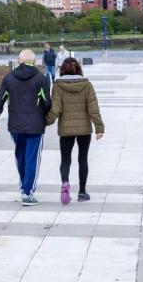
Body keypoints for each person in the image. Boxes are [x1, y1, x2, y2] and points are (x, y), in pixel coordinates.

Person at [0, 49, 51, 206]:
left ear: (18, 60)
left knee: (20, 157)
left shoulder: (8, 78)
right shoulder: (41, 79)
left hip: (15, 126)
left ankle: (24, 188)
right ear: (35, 61)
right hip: (35, 126)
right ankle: (27, 193)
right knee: (32, 159)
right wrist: (45, 116)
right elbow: (47, 103)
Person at [46, 57, 104, 205]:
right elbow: (93, 108)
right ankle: (82, 192)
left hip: (66, 130)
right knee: (82, 159)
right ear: (79, 69)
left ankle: (65, 183)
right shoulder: (87, 85)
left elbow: (56, 109)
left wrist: (45, 122)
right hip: (84, 129)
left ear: (62, 70)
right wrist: (99, 128)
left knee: (66, 160)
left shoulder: (58, 86)